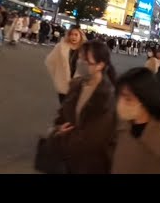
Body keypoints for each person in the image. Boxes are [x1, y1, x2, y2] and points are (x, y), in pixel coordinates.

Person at [46, 40, 117, 174]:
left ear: (100, 65)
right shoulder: (76, 85)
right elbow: (61, 117)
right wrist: (57, 130)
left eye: (86, 60)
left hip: (90, 165)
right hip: (68, 161)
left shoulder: (108, 96)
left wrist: (62, 138)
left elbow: (94, 139)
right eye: (80, 58)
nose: (80, 63)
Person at [111, 67, 160, 174]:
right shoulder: (122, 128)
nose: (120, 103)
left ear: (145, 99)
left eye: (128, 99)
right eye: (120, 96)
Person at [45, 26, 87, 105]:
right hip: (63, 83)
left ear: (81, 36)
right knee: (64, 106)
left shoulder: (86, 49)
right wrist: (57, 75)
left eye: (76, 35)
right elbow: (50, 62)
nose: (73, 37)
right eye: (71, 34)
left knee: (75, 107)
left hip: (79, 85)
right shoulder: (61, 47)